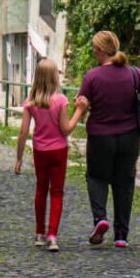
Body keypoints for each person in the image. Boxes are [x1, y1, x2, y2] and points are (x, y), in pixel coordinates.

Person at [75, 30, 140, 249]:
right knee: (124, 184)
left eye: (94, 48)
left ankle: (100, 219)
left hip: (100, 137)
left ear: (101, 50)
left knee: (96, 178)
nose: (93, 52)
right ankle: (121, 235)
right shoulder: (134, 73)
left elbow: (81, 104)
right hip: (129, 137)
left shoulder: (92, 76)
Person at [14, 58, 85, 253]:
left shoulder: (31, 102)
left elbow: (23, 132)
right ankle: (52, 235)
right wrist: (79, 111)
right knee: (57, 192)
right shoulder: (61, 101)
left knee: (41, 190)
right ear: (54, 77)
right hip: (59, 151)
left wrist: (19, 158)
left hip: (40, 151)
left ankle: (39, 233)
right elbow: (66, 129)